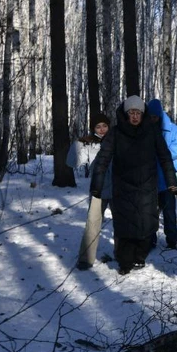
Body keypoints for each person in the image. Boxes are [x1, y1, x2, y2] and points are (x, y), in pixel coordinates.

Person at [91, 96, 177, 274]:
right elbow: (102, 159)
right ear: (126, 114)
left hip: (147, 185)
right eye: (131, 113)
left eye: (138, 113)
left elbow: (165, 156)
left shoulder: (152, 131)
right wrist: (97, 184)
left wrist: (171, 180)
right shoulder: (115, 132)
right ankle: (124, 262)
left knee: (145, 224)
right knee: (124, 226)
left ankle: (139, 257)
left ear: (143, 114)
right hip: (122, 186)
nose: (135, 116)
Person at [67, 113, 112, 270]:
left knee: (121, 223)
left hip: (117, 187)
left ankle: (123, 254)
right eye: (98, 127)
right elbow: (73, 163)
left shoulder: (117, 140)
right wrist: (76, 146)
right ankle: (86, 258)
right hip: (98, 188)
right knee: (92, 222)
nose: (102, 130)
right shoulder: (89, 145)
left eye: (104, 126)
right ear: (93, 129)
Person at [148, 98, 177, 249]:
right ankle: (150, 239)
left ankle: (172, 239)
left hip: (167, 177)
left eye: (155, 116)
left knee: (169, 211)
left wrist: (161, 154)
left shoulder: (172, 129)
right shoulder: (145, 129)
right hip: (150, 177)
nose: (152, 119)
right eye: (150, 116)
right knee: (151, 211)